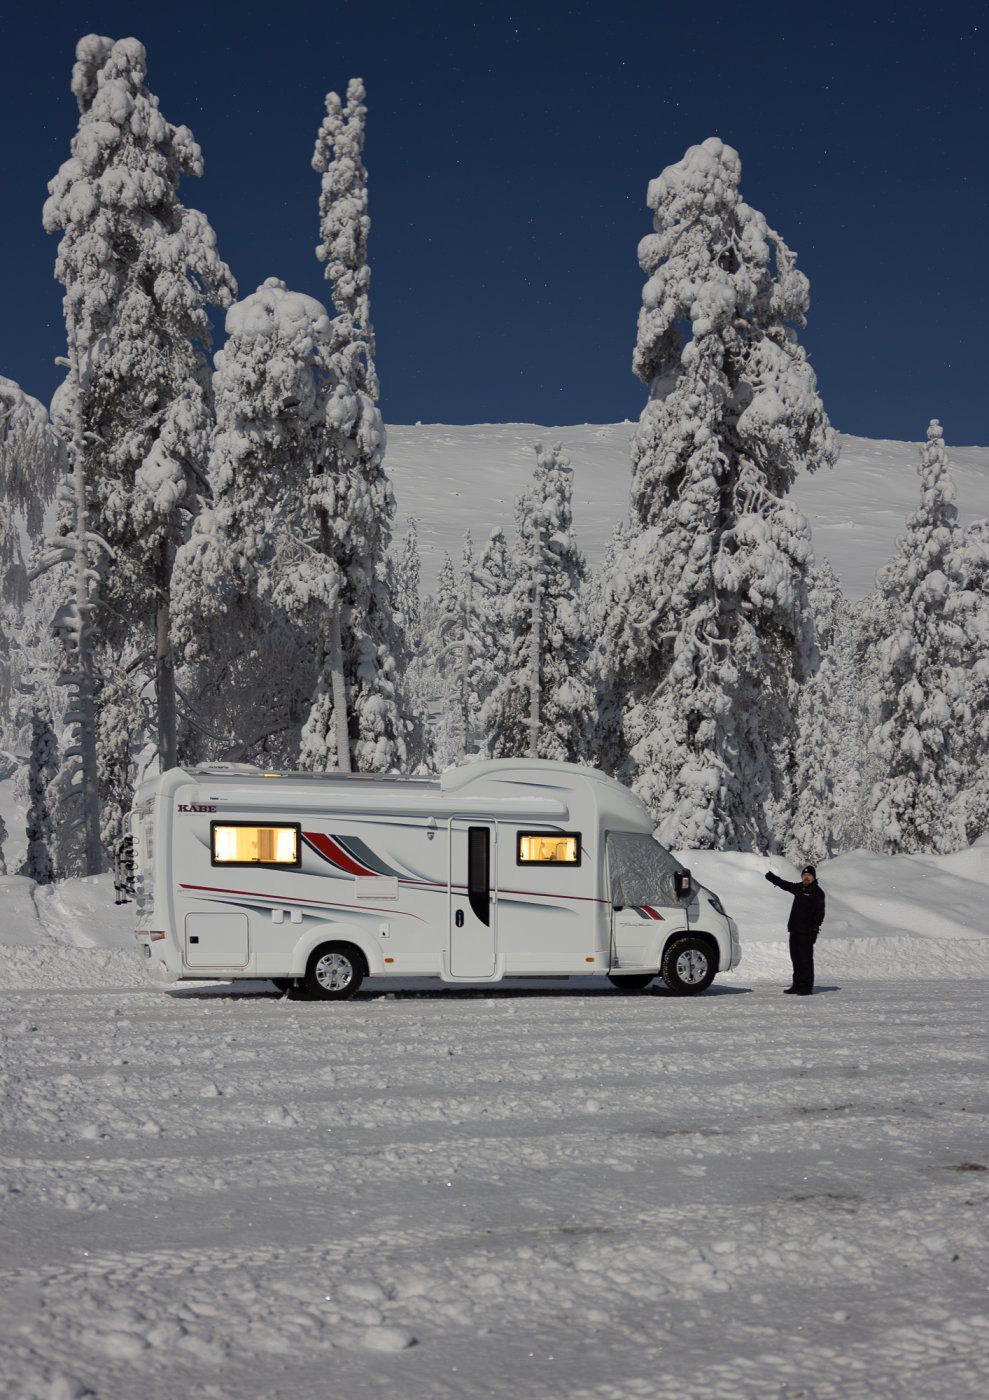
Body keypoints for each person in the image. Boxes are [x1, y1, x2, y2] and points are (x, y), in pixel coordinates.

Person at [765, 864, 825, 996]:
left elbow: (819, 913)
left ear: (814, 877)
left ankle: (806, 987)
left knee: (805, 960)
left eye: (809, 875)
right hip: (794, 929)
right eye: (804, 875)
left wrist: (814, 930)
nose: (806, 877)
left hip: (807, 932)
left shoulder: (817, 892)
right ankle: (797, 984)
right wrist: (772, 878)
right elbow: (785, 885)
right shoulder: (799, 888)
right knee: (796, 959)